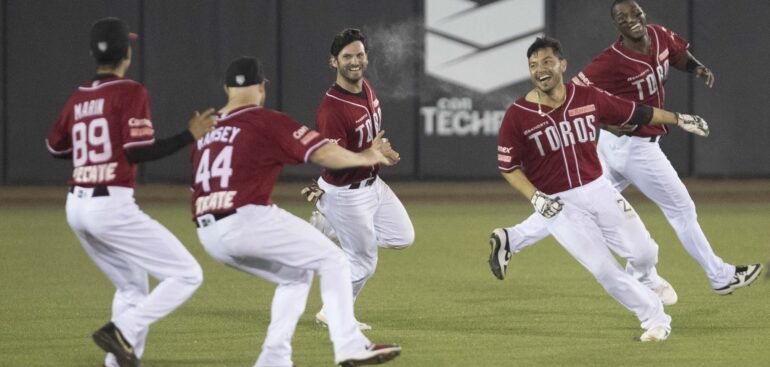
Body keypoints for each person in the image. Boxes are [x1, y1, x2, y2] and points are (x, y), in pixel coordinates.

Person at [490, 0, 762, 296]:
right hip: (634, 148)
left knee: (575, 201)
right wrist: (606, 123)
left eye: (634, 12)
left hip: (618, 147)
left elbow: (677, 54)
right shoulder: (610, 60)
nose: (630, 19)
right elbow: (575, 92)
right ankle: (719, 276)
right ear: (615, 25)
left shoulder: (658, 35)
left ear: (643, 13)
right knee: (681, 209)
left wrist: (696, 67)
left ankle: (512, 238)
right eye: (621, 17)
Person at [493, 36, 711, 341]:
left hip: (599, 189)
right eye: (533, 65)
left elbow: (638, 112)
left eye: (546, 62)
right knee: (605, 271)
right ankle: (654, 319)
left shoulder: (586, 97)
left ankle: (644, 280)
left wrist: (678, 118)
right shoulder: (518, 114)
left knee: (646, 253)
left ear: (562, 65)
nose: (540, 69)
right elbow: (508, 167)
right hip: (558, 205)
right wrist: (536, 198)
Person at [191, 56, 401, 367]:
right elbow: (325, 153)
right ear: (262, 86)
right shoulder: (265, 120)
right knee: (334, 260)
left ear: (226, 89)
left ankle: (273, 359)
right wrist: (366, 155)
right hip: (248, 218)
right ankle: (349, 346)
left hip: (207, 232)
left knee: (295, 274)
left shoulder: (206, 132)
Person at [45, 17, 216, 367]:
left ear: (94, 53)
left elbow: (54, 147)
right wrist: (189, 136)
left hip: (76, 206)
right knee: (186, 274)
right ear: (126, 52)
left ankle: (117, 361)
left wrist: (91, 152)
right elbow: (138, 151)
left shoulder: (79, 97)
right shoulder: (130, 91)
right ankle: (121, 329)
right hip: (111, 206)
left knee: (131, 287)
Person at [300, 28, 415, 330]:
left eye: (360, 54)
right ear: (333, 62)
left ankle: (329, 225)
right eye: (347, 56)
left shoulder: (366, 87)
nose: (355, 61)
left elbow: (370, 140)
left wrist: (383, 152)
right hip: (345, 192)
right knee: (363, 262)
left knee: (402, 236)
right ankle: (332, 313)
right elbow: (333, 161)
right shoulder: (331, 109)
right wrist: (371, 154)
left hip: (372, 185)